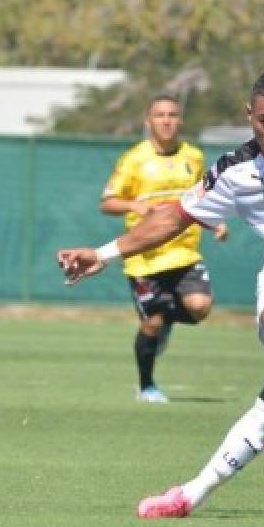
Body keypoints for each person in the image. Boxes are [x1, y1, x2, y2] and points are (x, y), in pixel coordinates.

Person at [58, 67, 264, 519]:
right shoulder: (235, 172)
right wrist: (103, 254)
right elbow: (171, 218)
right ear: (249, 115)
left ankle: (191, 494)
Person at [100, 94, 228, 403]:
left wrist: (216, 222)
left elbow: (203, 198)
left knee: (199, 307)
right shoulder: (134, 159)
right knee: (152, 323)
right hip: (144, 258)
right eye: (160, 115)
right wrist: (134, 205)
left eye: (172, 114)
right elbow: (107, 202)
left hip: (183, 253)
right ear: (148, 121)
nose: (167, 120)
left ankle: (166, 320)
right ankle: (147, 386)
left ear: (180, 120)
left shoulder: (194, 157)